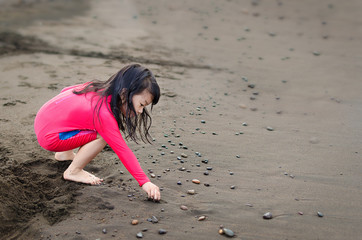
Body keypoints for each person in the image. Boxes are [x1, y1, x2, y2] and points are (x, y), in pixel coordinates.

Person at [34, 64, 161, 201]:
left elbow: (66, 90)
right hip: (51, 138)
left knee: (84, 121)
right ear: (124, 94)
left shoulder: (95, 87)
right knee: (102, 136)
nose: (140, 111)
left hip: (44, 123)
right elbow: (122, 150)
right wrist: (144, 182)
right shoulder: (104, 114)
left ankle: (65, 153)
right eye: (141, 105)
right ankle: (73, 172)